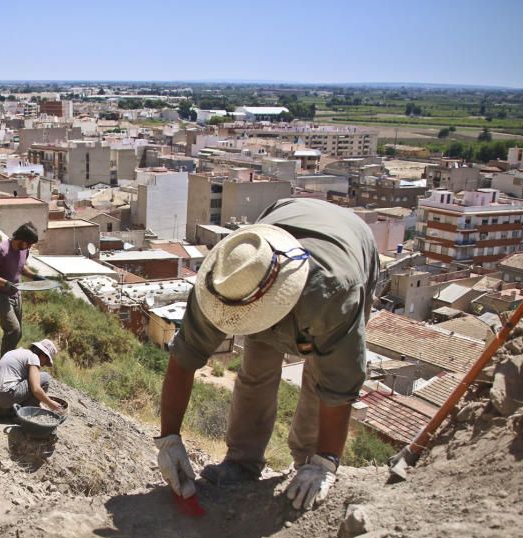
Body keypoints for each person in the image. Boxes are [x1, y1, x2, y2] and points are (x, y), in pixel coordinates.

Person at [155, 198, 379, 512]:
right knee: (256, 368)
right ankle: (242, 463)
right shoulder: (225, 279)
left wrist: (325, 461)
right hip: (281, 223)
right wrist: (169, 439)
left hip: (349, 245)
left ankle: (307, 463)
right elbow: (184, 358)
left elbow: (338, 388)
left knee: (318, 379)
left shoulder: (333, 294)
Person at [0, 223, 51, 356]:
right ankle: (4, 366)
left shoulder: (24, 250)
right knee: (13, 330)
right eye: (29, 244)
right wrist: (6, 283)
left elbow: (21, 267)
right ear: (21, 239)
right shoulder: (1, 250)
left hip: (16, 295)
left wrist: (35, 276)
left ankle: (9, 361)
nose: (30, 247)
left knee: (17, 334)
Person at [0, 339, 63, 416]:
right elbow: (36, 389)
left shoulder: (17, 352)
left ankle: (4, 411)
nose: (43, 365)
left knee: (26, 380)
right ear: (43, 354)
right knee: (44, 377)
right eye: (46, 361)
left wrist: (41, 405)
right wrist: (50, 404)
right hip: (6, 396)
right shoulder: (33, 357)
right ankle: (24, 415)